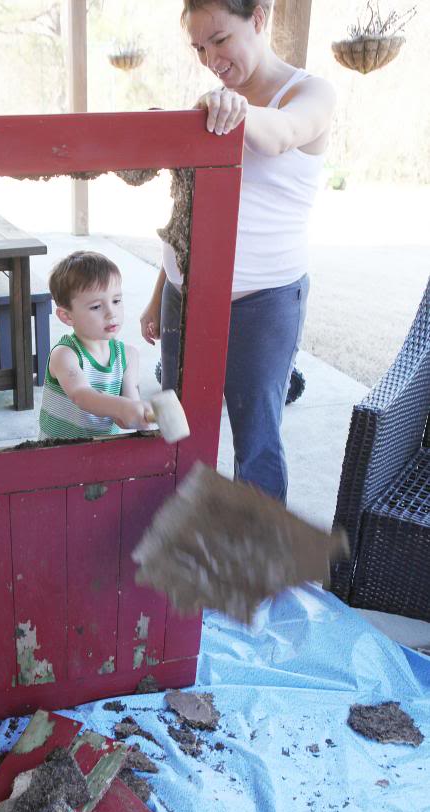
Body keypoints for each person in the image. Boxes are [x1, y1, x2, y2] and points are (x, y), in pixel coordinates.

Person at [140, 0, 335, 503]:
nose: (210, 58)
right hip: (183, 295)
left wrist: (237, 112)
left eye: (220, 40)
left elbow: (285, 134)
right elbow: (187, 208)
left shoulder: (310, 92)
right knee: (173, 416)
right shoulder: (216, 100)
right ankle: (178, 527)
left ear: (261, 18)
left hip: (263, 301)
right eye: (199, 47)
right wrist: (158, 292)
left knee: (257, 440)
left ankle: (258, 571)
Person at [39, 250, 152, 440]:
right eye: (96, 307)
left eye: (116, 301)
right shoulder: (65, 355)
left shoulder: (129, 356)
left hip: (103, 455)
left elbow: (125, 417)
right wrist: (123, 407)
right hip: (58, 457)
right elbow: (81, 395)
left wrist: (142, 415)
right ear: (67, 316)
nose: (111, 313)